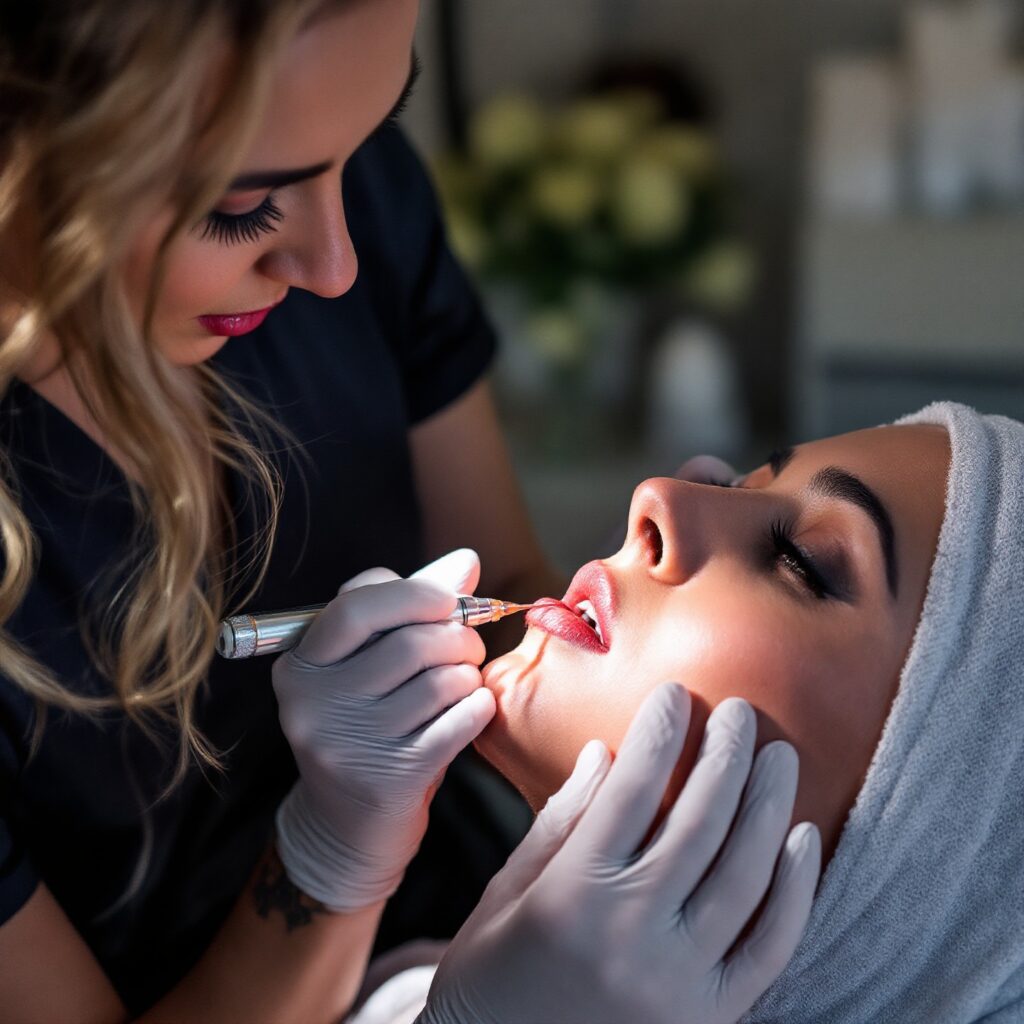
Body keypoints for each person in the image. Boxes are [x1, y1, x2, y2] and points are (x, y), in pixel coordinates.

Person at [0, 2, 819, 1022]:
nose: (337, 266)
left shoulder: (357, 202)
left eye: (369, 138)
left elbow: (518, 601)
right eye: (242, 207)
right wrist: (329, 860)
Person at [418, 402, 1021, 1024]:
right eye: (736, 482)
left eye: (800, 562)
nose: (657, 496)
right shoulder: (434, 971)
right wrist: (328, 874)